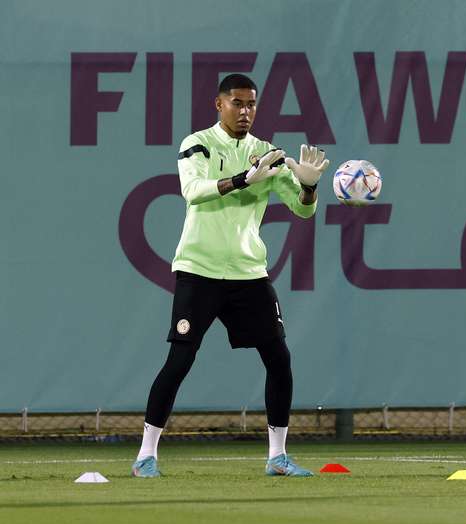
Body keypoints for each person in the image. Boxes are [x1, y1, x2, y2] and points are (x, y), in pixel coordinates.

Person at [131, 73, 329, 478]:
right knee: (180, 359)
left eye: (251, 104)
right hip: (199, 269)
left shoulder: (268, 153)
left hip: (248, 273)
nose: (245, 111)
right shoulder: (197, 143)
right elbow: (193, 190)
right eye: (237, 103)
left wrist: (308, 188)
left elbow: (303, 209)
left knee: (279, 358)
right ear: (218, 105)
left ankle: (278, 457)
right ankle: (146, 455)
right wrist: (243, 179)